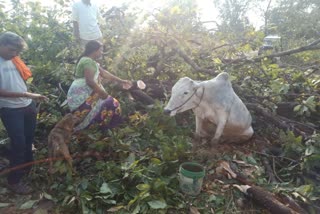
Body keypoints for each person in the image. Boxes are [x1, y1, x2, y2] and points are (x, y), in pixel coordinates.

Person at [0, 32, 48, 194]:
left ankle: (27, 170)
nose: (14, 54)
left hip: (28, 106)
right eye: (11, 50)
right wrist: (27, 95)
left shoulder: (14, 59)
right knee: (18, 143)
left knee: (28, 140)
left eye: (17, 52)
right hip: (10, 109)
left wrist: (30, 97)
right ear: (2, 44)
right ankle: (13, 181)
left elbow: (21, 79)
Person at [67, 40, 132, 131]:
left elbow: (105, 74)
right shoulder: (88, 62)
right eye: (100, 50)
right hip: (82, 95)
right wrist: (102, 93)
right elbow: (89, 81)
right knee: (114, 104)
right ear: (95, 50)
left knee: (109, 104)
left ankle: (103, 128)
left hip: (85, 93)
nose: (102, 52)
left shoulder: (90, 62)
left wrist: (122, 81)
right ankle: (106, 129)